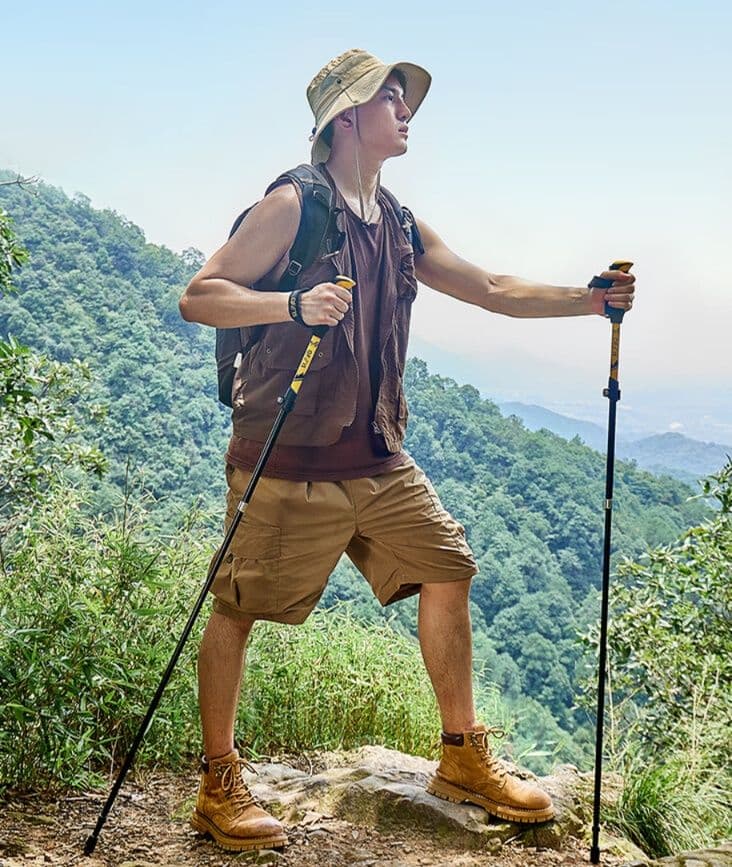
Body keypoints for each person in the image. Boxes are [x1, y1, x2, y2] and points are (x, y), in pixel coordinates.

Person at [178, 48, 635, 853]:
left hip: (379, 455)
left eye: (404, 96)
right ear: (345, 118)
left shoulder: (393, 219)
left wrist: (588, 300)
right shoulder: (293, 203)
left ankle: (462, 756)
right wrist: (291, 301)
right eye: (389, 97)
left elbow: (490, 286)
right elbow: (201, 294)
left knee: (448, 565)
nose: (405, 108)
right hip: (286, 459)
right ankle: (219, 783)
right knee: (238, 609)